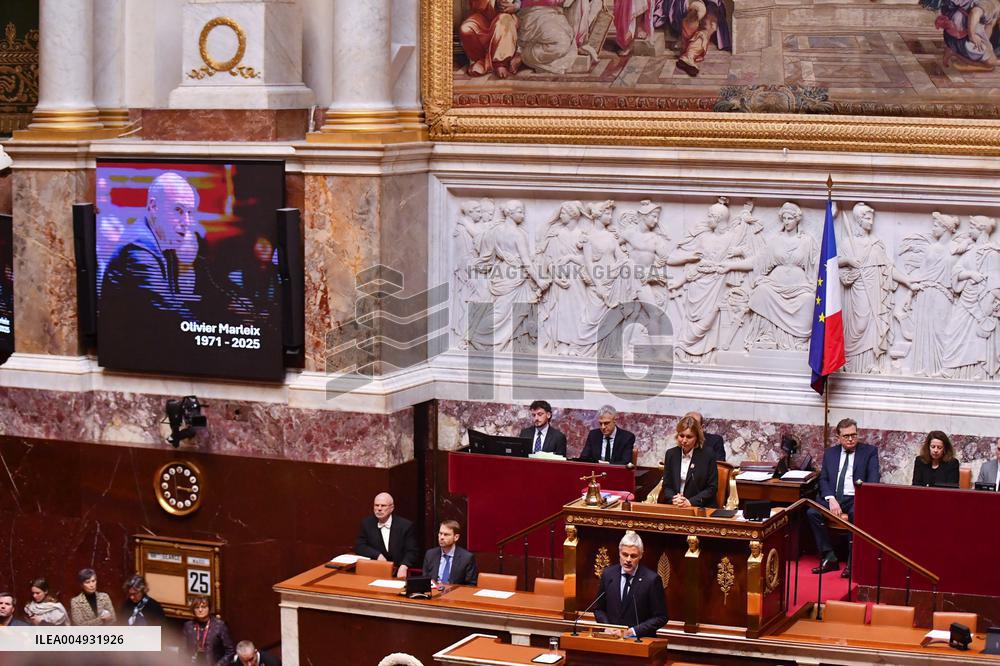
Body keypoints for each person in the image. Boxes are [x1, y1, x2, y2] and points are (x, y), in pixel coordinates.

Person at [100, 171, 201, 326]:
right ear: (153, 207)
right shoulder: (139, 250)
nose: (186, 222)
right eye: (178, 210)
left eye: (189, 212)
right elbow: (170, 315)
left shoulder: (164, 243)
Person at [807, 418, 880, 578]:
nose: (850, 439)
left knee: (857, 515)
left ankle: (852, 561)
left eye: (853, 435)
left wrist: (861, 497)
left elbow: (873, 480)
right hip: (834, 498)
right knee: (812, 513)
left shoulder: (869, 452)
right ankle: (829, 557)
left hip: (856, 498)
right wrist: (831, 498)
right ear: (838, 437)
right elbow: (824, 479)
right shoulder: (831, 453)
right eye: (846, 436)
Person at [592, 531, 667, 638]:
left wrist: (632, 631)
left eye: (633, 556)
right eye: (625, 554)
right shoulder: (608, 575)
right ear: (619, 552)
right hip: (611, 639)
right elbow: (598, 608)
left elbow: (661, 617)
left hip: (639, 641)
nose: (628, 560)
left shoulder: (651, 580)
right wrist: (607, 626)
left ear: (641, 555)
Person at [354, 492, 421, 578]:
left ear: (391, 508)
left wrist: (404, 566)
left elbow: (412, 551)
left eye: (383, 506)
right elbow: (360, 546)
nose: (379, 509)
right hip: (375, 572)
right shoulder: (367, 523)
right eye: (376, 505)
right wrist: (377, 555)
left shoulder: (406, 526)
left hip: (399, 572)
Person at [657, 415, 719, 508]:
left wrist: (690, 502)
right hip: (675, 505)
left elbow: (711, 488)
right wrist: (675, 499)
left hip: (699, 506)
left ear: (697, 437)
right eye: (681, 436)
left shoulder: (707, 455)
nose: (684, 440)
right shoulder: (671, 454)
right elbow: (667, 485)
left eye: (689, 437)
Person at [422, 520, 479, 587]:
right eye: (440, 533)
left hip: (455, 594)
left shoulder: (467, 558)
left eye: (446, 534)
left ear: (456, 537)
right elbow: (425, 580)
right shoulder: (430, 554)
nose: (442, 537)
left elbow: (471, 585)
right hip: (433, 593)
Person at [183, 596, 236, 665]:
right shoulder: (188, 626)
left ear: (209, 609)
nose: (200, 610)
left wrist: (219, 665)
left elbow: (230, 651)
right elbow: (183, 650)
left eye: (203, 607)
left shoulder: (219, 625)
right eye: (197, 607)